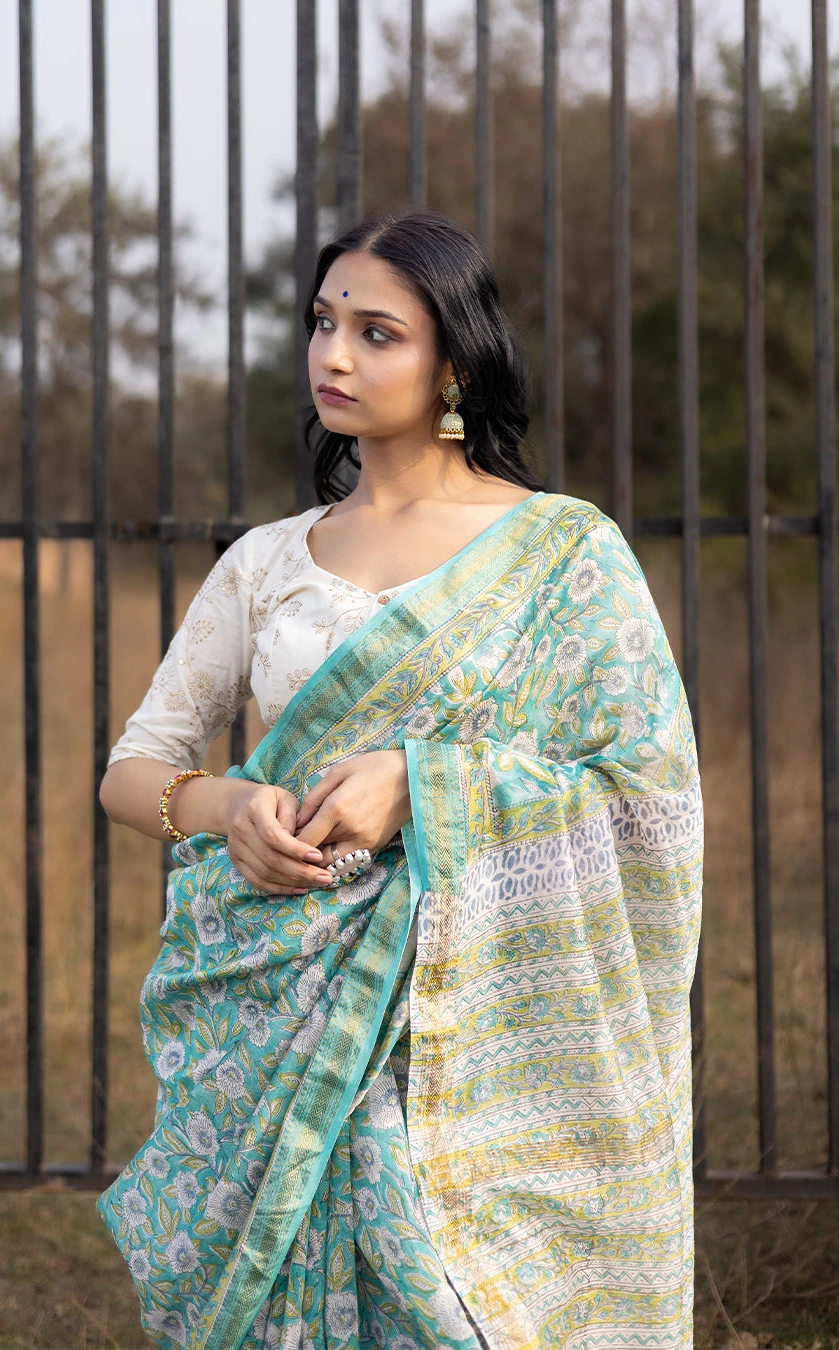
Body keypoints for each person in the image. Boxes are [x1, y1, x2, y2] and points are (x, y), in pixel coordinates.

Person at [96, 209, 703, 1350]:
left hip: (472, 1024)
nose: (333, 355)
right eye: (325, 323)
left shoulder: (564, 554)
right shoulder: (268, 560)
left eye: (378, 333)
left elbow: (646, 790)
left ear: (455, 364)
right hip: (281, 991)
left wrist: (425, 788)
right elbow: (135, 771)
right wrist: (226, 808)